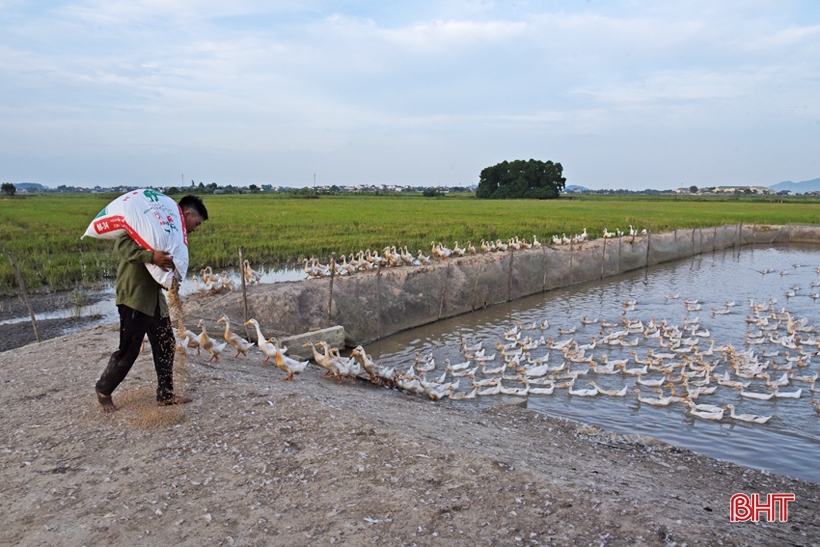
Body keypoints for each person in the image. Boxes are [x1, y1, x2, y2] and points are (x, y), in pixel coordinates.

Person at [95, 194, 208, 413]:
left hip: (155, 299)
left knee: (165, 343)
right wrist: (151, 257)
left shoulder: (168, 233)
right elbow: (122, 246)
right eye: (197, 223)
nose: (195, 229)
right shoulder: (148, 225)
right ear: (187, 214)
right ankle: (103, 389)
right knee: (129, 349)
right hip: (135, 296)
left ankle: (165, 395)